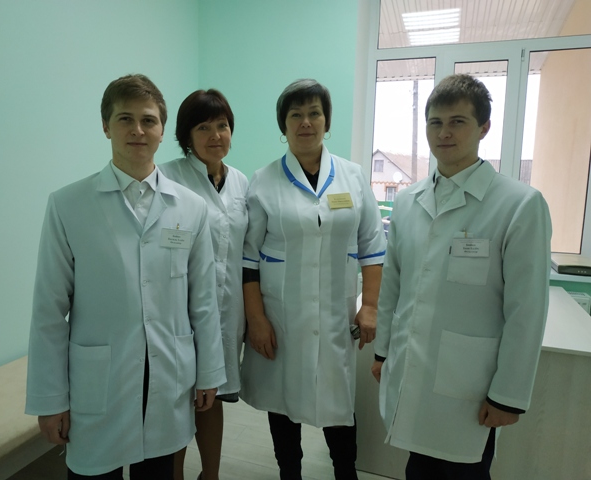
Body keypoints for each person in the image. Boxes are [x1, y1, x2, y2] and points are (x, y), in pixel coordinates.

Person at [25, 74, 226, 479]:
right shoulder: (68, 205)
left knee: (160, 470)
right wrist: (50, 398)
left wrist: (208, 373)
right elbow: (49, 310)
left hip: (168, 373)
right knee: (95, 471)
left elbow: (203, 301)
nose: (138, 130)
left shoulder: (191, 208)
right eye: (125, 119)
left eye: (149, 120)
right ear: (106, 126)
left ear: (162, 130)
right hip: (101, 377)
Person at [371, 74, 552, 480]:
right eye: (435, 122)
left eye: (458, 122)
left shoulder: (519, 205)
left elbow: (526, 311)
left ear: (483, 128)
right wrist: (383, 352)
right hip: (412, 368)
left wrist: (508, 395)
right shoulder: (408, 201)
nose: (444, 133)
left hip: (470, 382)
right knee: (418, 466)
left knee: (463, 468)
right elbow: (393, 285)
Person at [241, 78, 387, 480]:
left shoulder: (353, 177)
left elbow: (373, 247)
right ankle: (289, 473)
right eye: (296, 115)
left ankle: (345, 473)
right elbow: (248, 259)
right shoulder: (264, 180)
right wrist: (256, 319)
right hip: (281, 316)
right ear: (283, 125)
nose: (306, 122)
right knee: (282, 402)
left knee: (338, 404)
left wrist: (370, 306)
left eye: (314, 113)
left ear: (327, 121)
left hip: (336, 316)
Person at [159, 89, 248, 480]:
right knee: (178, 402)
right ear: (186, 136)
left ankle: (210, 474)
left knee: (213, 396)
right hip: (178, 313)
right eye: (204, 127)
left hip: (227, 313)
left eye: (222, 126)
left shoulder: (241, 182)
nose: (216, 135)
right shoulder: (167, 177)